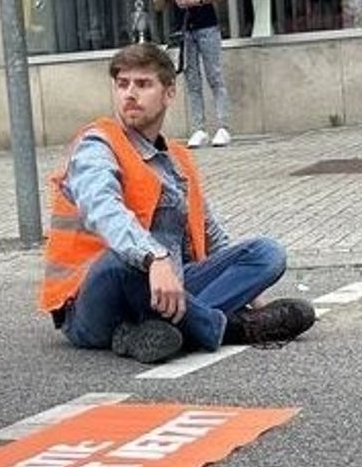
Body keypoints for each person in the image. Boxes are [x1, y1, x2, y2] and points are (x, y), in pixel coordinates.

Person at [41, 43, 315, 365]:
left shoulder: (179, 158)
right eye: (122, 83)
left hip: (169, 289)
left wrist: (247, 289)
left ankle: (156, 331)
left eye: (143, 85)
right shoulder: (97, 145)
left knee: (267, 254)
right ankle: (230, 328)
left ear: (169, 94)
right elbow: (103, 209)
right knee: (124, 260)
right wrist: (154, 257)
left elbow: (210, 233)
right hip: (91, 302)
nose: (130, 94)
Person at [154, 0, 231, 147]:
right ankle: (199, 129)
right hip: (183, 31)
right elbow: (158, 6)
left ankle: (223, 127)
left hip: (207, 27)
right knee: (192, 80)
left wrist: (197, 1)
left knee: (214, 76)